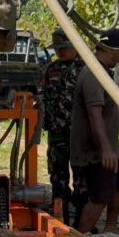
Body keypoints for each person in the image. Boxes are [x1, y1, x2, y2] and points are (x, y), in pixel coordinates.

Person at [70, 30, 119, 237]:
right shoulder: (93, 74)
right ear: (109, 50)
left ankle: (110, 226)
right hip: (95, 150)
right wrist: (106, 148)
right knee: (99, 196)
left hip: (109, 147)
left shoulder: (103, 72)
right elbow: (94, 113)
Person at [41, 28, 86, 226]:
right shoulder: (51, 70)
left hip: (79, 135)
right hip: (57, 134)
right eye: (58, 48)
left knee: (82, 182)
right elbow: (43, 98)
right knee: (58, 181)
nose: (60, 52)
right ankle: (61, 224)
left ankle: (82, 225)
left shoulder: (86, 69)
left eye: (64, 47)